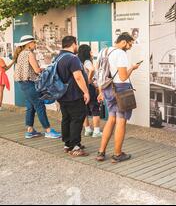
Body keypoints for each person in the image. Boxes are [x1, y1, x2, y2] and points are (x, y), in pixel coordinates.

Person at [96, 33, 141, 163]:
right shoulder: (120, 54)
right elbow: (122, 77)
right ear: (123, 42)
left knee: (111, 119)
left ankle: (101, 152)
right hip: (120, 89)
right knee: (121, 121)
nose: (130, 47)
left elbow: (99, 74)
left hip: (107, 88)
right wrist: (132, 68)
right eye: (129, 44)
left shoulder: (103, 51)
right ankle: (117, 154)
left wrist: (101, 91)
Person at [13, 35, 61, 139]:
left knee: (30, 106)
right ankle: (48, 130)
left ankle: (30, 130)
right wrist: (47, 68)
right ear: (29, 44)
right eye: (34, 43)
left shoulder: (21, 54)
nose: (35, 45)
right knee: (39, 105)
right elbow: (37, 70)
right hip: (30, 83)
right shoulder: (29, 53)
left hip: (23, 84)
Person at [56, 36, 90, 157]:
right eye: (76, 44)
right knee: (77, 119)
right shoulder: (72, 58)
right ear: (73, 44)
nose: (77, 47)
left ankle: (68, 144)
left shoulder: (58, 57)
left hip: (62, 95)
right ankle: (75, 146)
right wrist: (86, 92)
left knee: (66, 119)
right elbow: (78, 77)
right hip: (74, 95)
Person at [78, 44, 102, 138]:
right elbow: (91, 70)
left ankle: (87, 130)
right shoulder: (87, 61)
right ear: (87, 52)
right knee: (95, 108)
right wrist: (89, 80)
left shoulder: (78, 61)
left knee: (84, 109)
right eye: (90, 51)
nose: (91, 53)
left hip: (81, 88)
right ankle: (96, 131)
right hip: (89, 88)